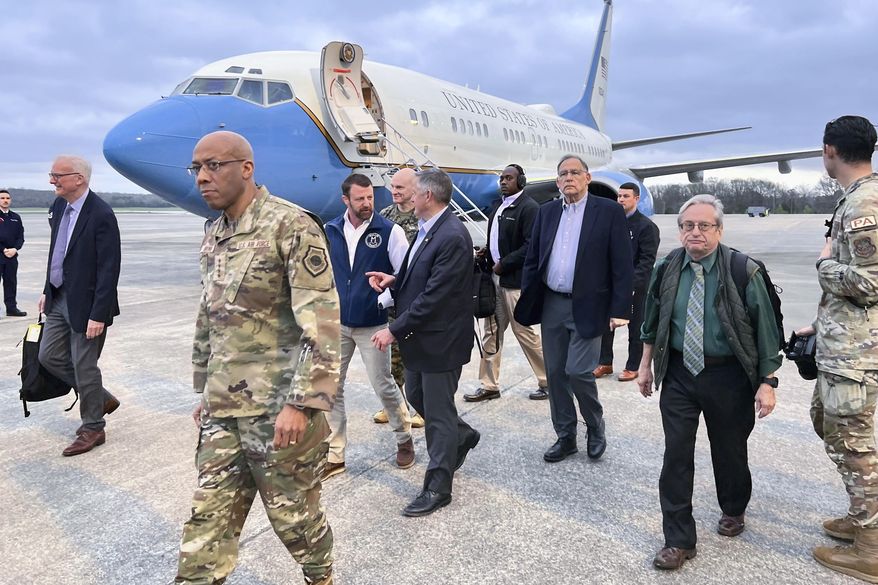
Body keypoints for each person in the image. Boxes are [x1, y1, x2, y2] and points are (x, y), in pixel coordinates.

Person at [175, 131, 339, 585]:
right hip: (223, 408)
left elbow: (322, 323)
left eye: (214, 166)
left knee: (294, 519)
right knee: (207, 520)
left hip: (278, 411)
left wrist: (302, 404)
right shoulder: (215, 233)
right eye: (196, 168)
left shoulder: (291, 226)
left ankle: (321, 576)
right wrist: (205, 390)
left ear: (246, 169)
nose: (202, 177)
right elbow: (211, 316)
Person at [637, 194, 781, 571]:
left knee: (729, 449)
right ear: (680, 230)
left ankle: (733, 507)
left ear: (719, 230)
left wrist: (767, 382)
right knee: (676, 454)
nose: (695, 232)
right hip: (680, 373)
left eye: (704, 225)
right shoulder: (667, 267)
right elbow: (652, 321)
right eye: (688, 225)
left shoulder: (743, 270)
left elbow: (766, 331)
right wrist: (645, 366)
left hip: (728, 375)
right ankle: (678, 540)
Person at [368, 169, 480, 517]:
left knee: (438, 414)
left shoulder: (452, 235)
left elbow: (435, 296)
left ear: (428, 196)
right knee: (417, 395)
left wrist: (394, 329)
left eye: (413, 192)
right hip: (423, 340)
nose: (407, 197)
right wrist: (394, 281)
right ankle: (461, 435)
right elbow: (421, 273)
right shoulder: (429, 228)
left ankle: (437, 487)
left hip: (441, 342)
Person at [514, 155, 633, 463]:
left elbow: (622, 263)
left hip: (590, 304)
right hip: (552, 302)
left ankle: (594, 425)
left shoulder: (608, 211)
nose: (569, 178)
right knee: (555, 374)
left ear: (587, 178)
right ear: (557, 181)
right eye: (563, 174)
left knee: (578, 371)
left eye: (575, 172)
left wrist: (620, 308)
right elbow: (534, 257)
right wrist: (529, 292)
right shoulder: (547, 211)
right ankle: (566, 436)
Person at [802, 115, 878, 582]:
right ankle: (862, 513)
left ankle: (871, 548)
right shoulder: (855, 197)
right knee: (828, 425)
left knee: (853, 443)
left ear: (829, 150)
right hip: (842, 343)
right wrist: (819, 324)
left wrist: (824, 265)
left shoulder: (865, 202)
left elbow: (871, 282)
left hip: (857, 354)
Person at [323, 173, 414, 479]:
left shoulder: (390, 232)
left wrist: (384, 300)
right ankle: (335, 452)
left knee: (383, 384)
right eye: (360, 198)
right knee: (331, 387)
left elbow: (407, 276)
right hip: (338, 324)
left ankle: (404, 438)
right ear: (345, 200)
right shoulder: (330, 230)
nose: (366, 203)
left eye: (370, 197)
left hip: (372, 324)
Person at [38, 156, 121, 456]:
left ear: (79, 179)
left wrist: (98, 314)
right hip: (59, 297)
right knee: (48, 355)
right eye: (52, 174)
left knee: (85, 366)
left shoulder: (101, 214)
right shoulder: (59, 206)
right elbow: (57, 253)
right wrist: (47, 290)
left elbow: (109, 269)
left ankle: (93, 427)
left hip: (88, 305)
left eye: (57, 175)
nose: (52, 180)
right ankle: (99, 396)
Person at [465, 164, 549, 402]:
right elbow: (497, 239)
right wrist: (487, 253)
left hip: (515, 283)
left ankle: (549, 381)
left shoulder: (529, 208)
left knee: (524, 332)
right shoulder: (498, 206)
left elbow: (532, 245)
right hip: (495, 281)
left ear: (521, 181)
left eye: (509, 178)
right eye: (502, 178)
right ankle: (489, 385)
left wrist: (505, 263)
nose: (503, 182)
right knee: (491, 332)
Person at [373, 167, 424, 429]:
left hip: (416, 298)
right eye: (392, 186)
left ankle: (423, 408)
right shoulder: (385, 216)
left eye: (399, 187)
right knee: (392, 357)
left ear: (415, 189)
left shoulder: (423, 217)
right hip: (392, 297)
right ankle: (395, 406)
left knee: (417, 355)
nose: (393, 191)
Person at [595, 182, 660, 382]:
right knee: (606, 325)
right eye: (619, 196)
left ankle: (633, 366)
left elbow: (646, 261)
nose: (621, 199)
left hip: (635, 286)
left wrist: (631, 286)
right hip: (610, 284)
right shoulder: (612, 223)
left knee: (635, 326)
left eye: (626, 196)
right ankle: (605, 362)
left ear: (636, 199)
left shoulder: (647, 227)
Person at [0, 189, 27, 317]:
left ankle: (11, 308)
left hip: (12, 255)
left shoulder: (15, 217)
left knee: (11, 282)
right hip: (1, 253)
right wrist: (3, 249)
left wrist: (15, 249)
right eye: (2, 198)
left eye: (7, 198)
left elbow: (20, 236)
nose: (5, 200)